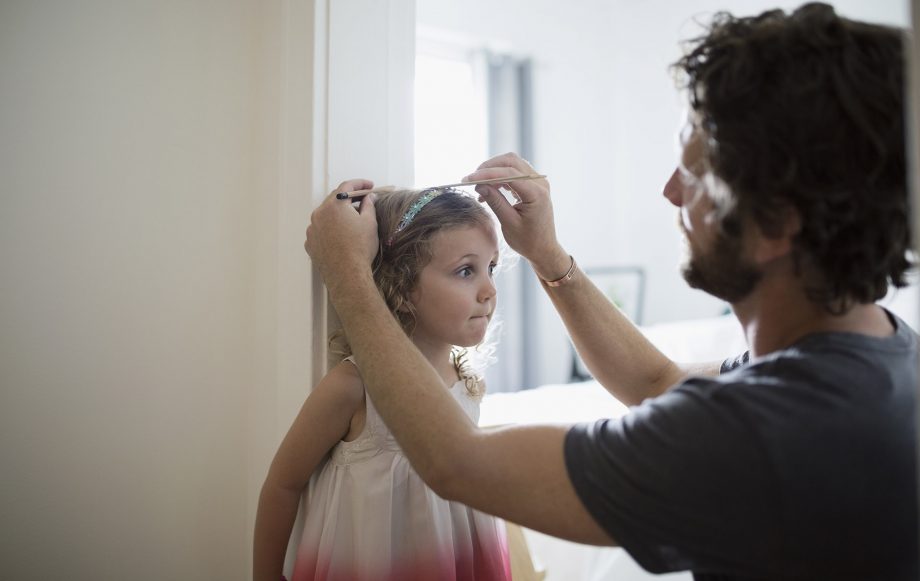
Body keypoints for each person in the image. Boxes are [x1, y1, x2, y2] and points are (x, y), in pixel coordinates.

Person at [305, 3, 918, 580]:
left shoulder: (761, 435)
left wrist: (349, 274)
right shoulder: (882, 356)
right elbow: (655, 381)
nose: (671, 192)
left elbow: (457, 463)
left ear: (779, 223)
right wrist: (548, 256)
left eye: (696, 173)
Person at [255, 187, 512, 581]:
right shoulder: (353, 387)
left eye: (491, 267)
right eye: (466, 271)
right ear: (404, 288)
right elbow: (283, 484)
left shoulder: (466, 381)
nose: (490, 289)